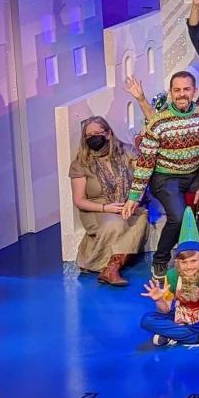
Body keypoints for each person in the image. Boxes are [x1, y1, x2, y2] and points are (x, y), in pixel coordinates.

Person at [129, 71, 199, 281]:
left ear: (194, 92)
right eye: (177, 90)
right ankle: (160, 259)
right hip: (165, 176)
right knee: (177, 217)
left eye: (186, 89)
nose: (181, 94)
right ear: (170, 93)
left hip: (193, 172)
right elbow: (145, 163)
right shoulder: (158, 122)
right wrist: (134, 197)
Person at [70, 116, 144, 286]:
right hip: (97, 208)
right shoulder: (80, 164)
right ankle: (99, 262)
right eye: (89, 136)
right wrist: (106, 208)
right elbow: (79, 200)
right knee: (117, 224)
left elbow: (142, 175)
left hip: (125, 204)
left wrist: (133, 201)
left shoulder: (126, 151)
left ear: (108, 133)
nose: (93, 138)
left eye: (97, 133)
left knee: (141, 220)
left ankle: (111, 268)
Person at [140, 211, 199, 346]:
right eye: (184, 262)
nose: (189, 267)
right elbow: (165, 310)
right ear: (177, 263)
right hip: (180, 316)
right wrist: (159, 300)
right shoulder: (172, 275)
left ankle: (173, 335)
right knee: (146, 320)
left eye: (193, 261)